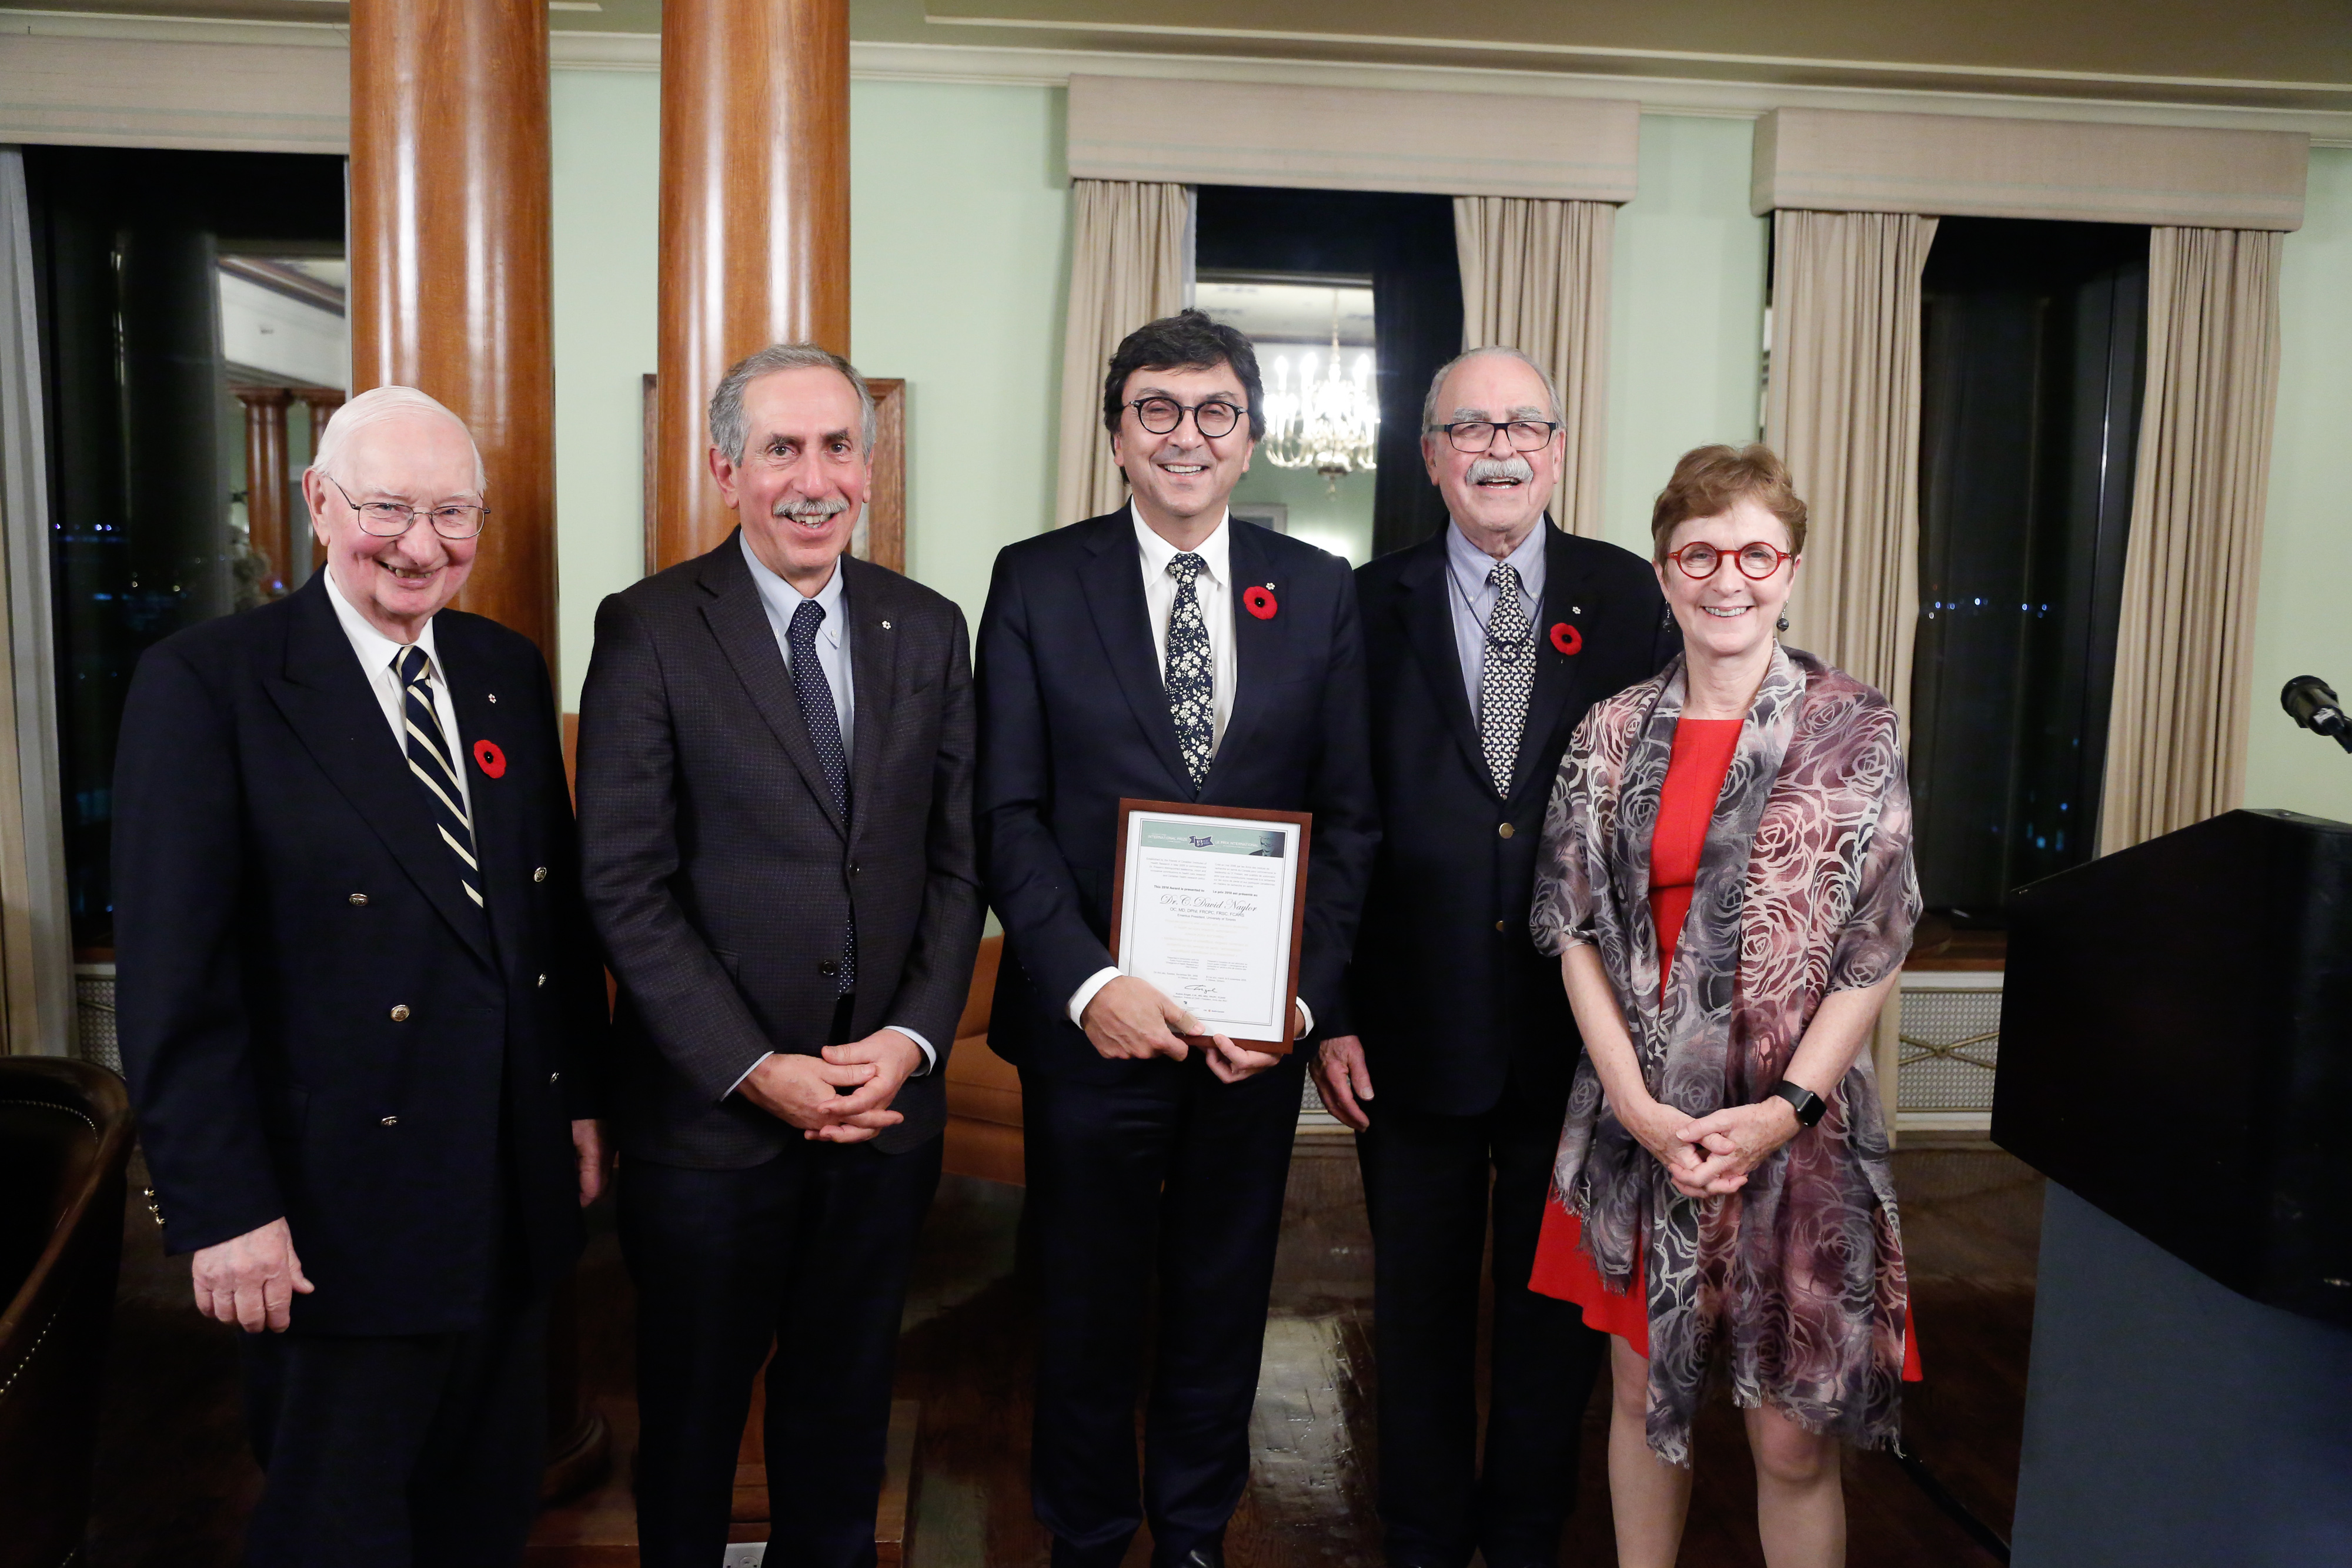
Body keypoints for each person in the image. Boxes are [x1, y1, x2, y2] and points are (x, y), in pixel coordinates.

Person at [112, 386, 611, 1567]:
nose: (421, 543)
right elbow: (175, 977)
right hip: (331, 1200)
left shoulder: (500, 666)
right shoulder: (210, 684)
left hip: (507, 1183)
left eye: (454, 513)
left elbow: (544, 921)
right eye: (388, 507)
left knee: (487, 1510)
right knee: (337, 1525)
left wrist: (576, 1098)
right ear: (318, 502)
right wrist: (223, 1207)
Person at [975, 309, 1379, 1568]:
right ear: (1114, 436)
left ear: (1250, 435)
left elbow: (1351, 817)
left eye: (1213, 411)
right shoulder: (1037, 578)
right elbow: (1007, 811)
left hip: (1247, 1042)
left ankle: (1195, 1529)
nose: (1185, 435)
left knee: (1220, 1296)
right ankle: (1088, 1533)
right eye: (1155, 409)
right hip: (1097, 1022)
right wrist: (1089, 981)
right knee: (1086, 1300)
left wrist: (1298, 1008)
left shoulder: (1314, 591)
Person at [576, 344, 981, 1568]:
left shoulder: (927, 625)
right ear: (725, 466)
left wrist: (908, 1043)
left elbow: (956, 866)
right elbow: (624, 884)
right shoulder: (648, 627)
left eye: (837, 446)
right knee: (693, 1420)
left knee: (845, 1404)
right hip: (711, 1124)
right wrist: (753, 1064)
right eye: (781, 449)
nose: (814, 478)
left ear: (869, 464)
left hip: (879, 1115)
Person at [1312, 347, 1680, 1568]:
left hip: (1579, 1038)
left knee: (1551, 1322)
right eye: (1466, 425)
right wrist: (1333, 1007)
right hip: (1405, 1030)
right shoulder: (1361, 604)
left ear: (1558, 449)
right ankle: (1420, 1539)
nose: (1496, 445)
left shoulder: (1632, 599)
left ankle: (1522, 1536)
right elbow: (1335, 815)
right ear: (1429, 456)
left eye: (1523, 421)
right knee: (1412, 1315)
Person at [1527, 444, 1923, 1567]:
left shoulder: (1857, 727)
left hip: (1797, 1135)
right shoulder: (1607, 735)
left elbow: (1877, 942)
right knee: (1642, 1400)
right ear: (1664, 574)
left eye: (1756, 552)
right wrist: (1642, 1110)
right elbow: (1573, 937)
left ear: (1790, 570)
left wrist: (1784, 1108)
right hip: (1638, 1123)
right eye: (1699, 553)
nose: (1727, 577)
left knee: (1793, 1441)